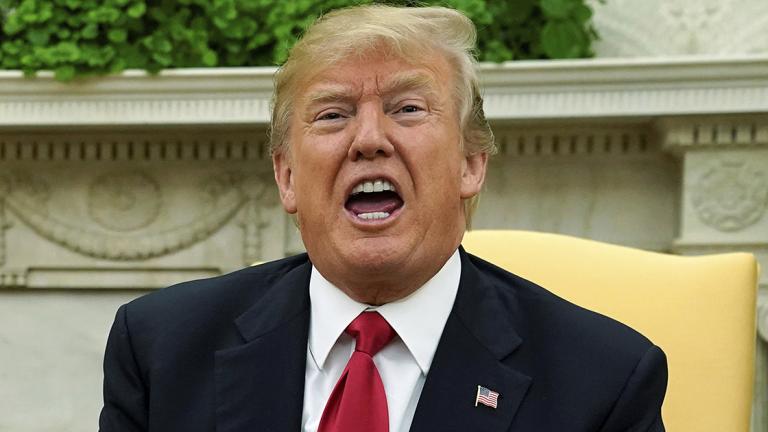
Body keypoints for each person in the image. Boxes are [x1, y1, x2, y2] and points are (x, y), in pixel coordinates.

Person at [99, 5, 667, 432]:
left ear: (472, 164)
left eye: (407, 108)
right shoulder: (162, 349)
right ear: (288, 177)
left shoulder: (605, 381)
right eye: (333, 114)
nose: (369, 140)